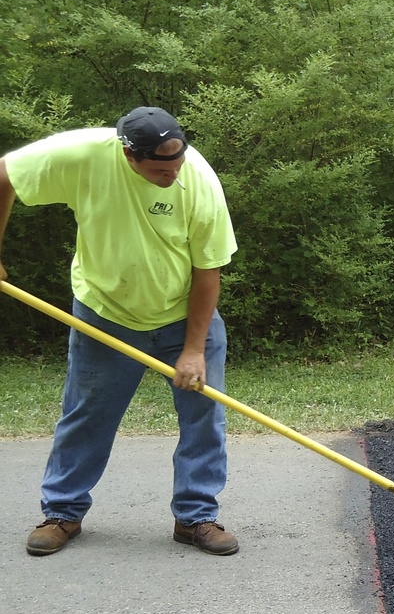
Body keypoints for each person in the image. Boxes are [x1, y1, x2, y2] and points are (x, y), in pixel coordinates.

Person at [0, 106, 240, 556]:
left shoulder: (199, 181)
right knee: (87, 415)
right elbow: (4, 175)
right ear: (128, 155)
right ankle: (63, 512)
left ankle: (196, 517)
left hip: (183, 315)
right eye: (159, 169)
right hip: (104, 313)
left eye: (177, 164)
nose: (172, 175)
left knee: (205, 417)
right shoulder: (82, 155)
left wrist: (192, 350)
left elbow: (209, 270)